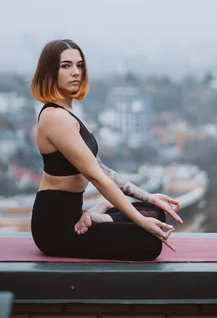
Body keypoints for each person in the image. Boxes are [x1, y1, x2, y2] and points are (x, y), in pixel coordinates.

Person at [30, 39, 182, 261]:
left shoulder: (70, 114)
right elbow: (97, 177)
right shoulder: (54, 118)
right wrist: (141, 223)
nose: (75, 72)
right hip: (56, 228)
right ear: (49, 72)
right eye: (66, 66)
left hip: (75, 214)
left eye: (79, 65)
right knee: (148, 241)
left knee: (154, 211)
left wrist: (149, 198)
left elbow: (102, 168)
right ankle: (98, 216)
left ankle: (96, 215)